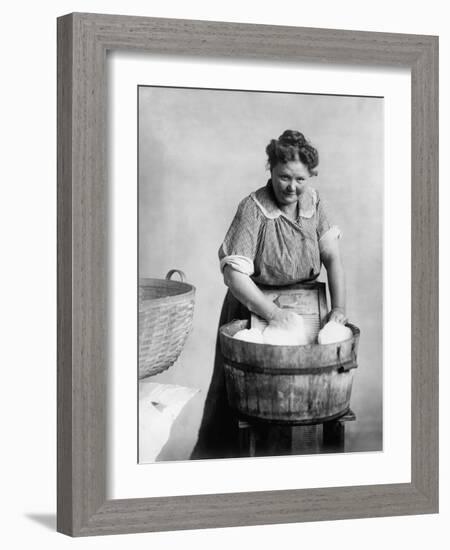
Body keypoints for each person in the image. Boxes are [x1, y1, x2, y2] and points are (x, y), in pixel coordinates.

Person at [190, 129, 346, 460]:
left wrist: (339, 310)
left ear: (311, 176)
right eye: (283, 177)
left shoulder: (314, 204)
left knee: (306, 391)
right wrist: (273, 315)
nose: (291, 187)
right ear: (270, 170)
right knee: (246, 400)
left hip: (306, 305)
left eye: (300, 179)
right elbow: (234, 276)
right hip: (254, 307)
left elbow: (332, 258)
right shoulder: (253, 209)